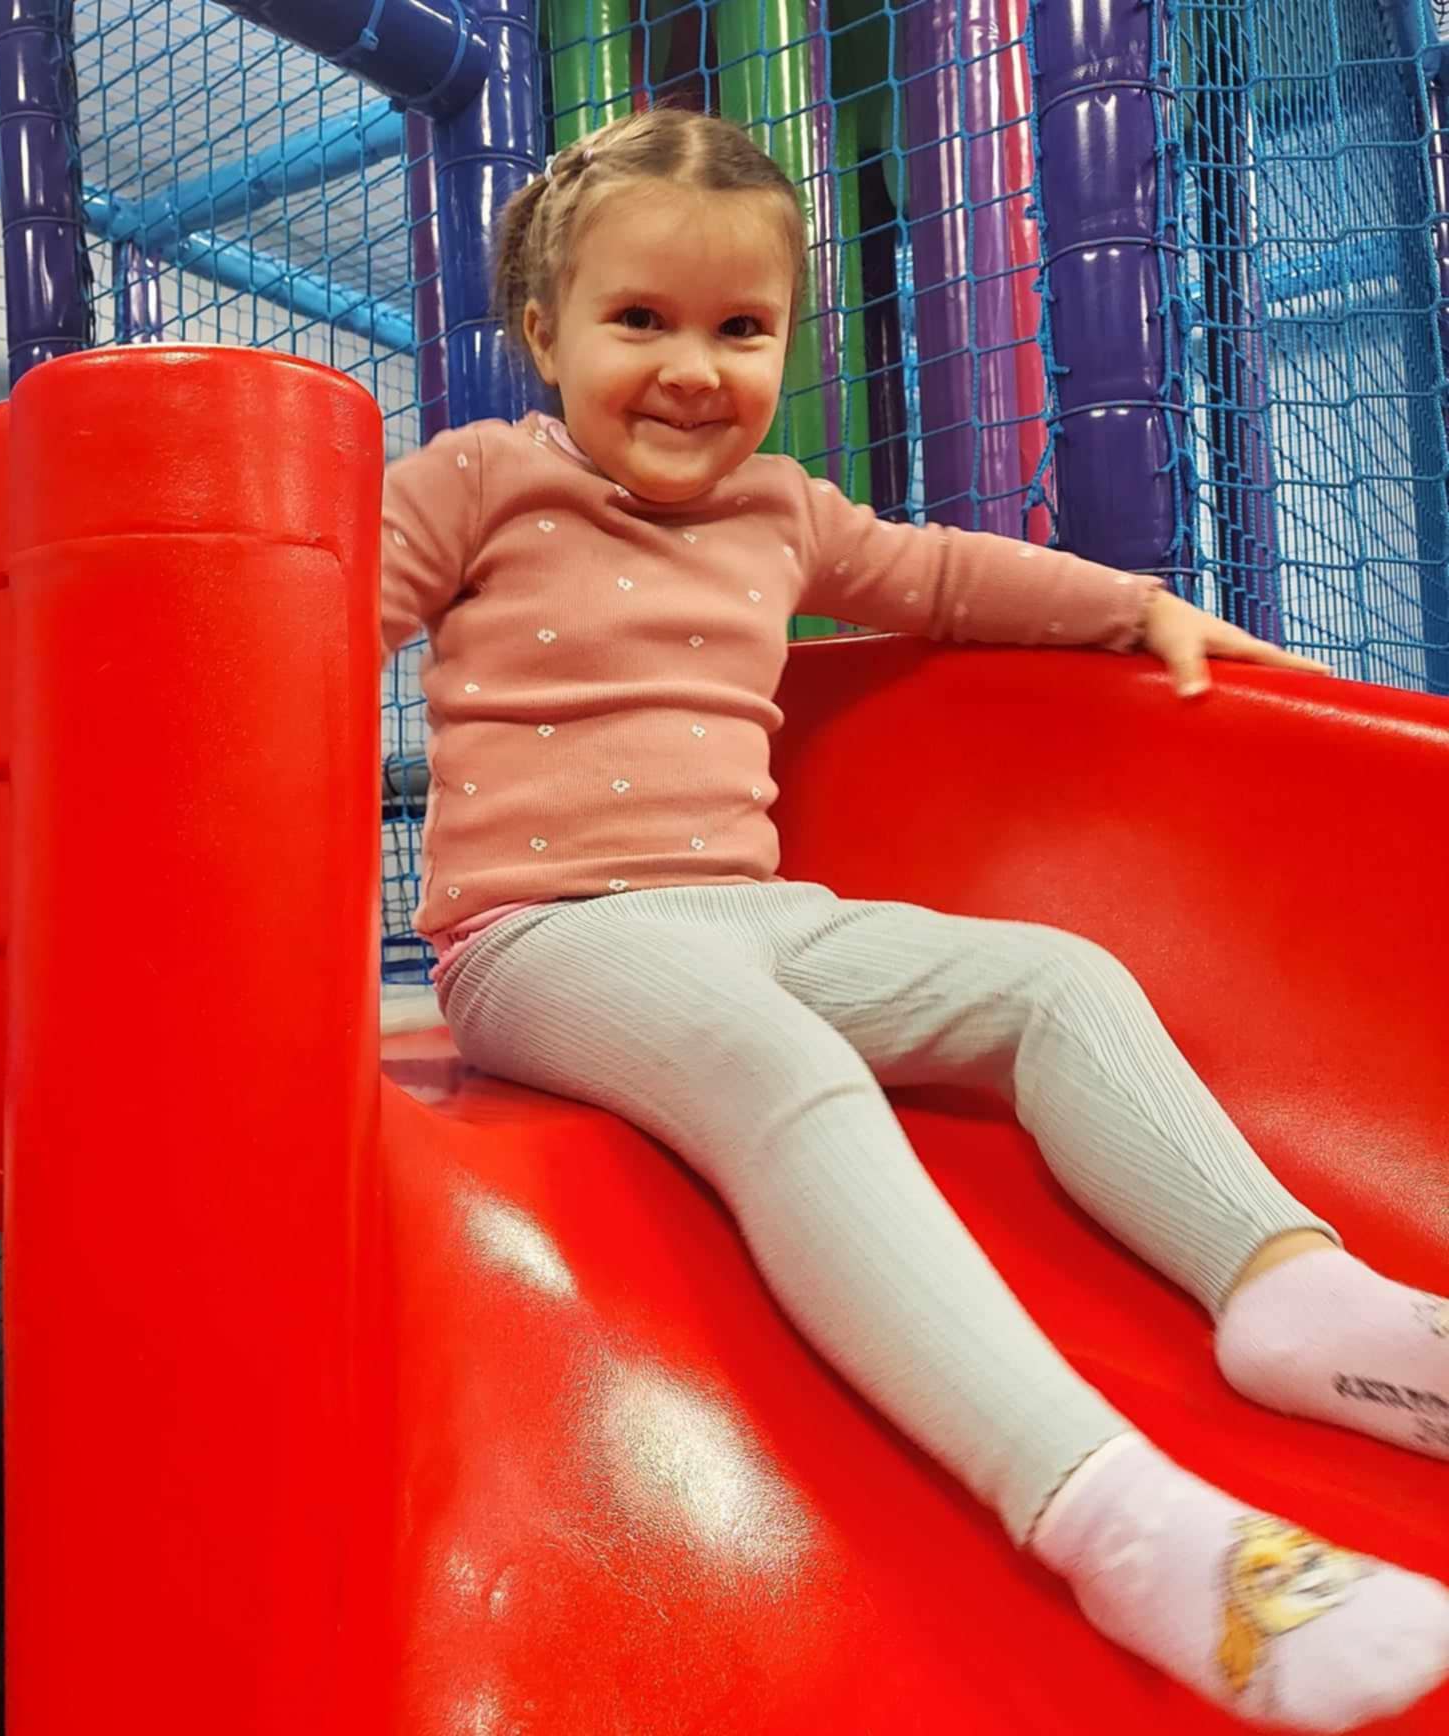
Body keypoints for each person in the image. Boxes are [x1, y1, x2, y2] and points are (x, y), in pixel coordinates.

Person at [379, 106, 1449, 1730]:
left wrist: (1138, 608)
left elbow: (947, 578)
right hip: (544, 938)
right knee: (780, 1064)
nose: (693, 369)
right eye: (640, 320)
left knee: (1055, 979)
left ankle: (1293, 1297)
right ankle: (1117, 1518)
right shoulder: (481, 481)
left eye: (742, 329)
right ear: (545, 332)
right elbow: (320, 613)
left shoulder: (780, 511)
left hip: (750, 913)